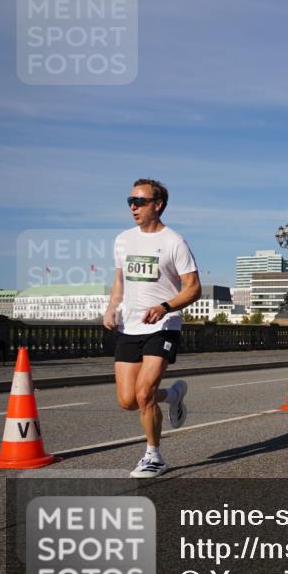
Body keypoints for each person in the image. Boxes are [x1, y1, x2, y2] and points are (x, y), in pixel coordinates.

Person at [104, 179, 200, 478]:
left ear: (157, 205)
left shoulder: (174, 242)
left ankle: (154, 456)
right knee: (128, 400)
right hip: (129, 326)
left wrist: (165, 307)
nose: (133, 206)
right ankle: (172, 396)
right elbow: (120, 280)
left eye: (140, 201)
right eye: (130, 200)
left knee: (145, 392)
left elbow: (193, 288)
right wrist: (111, 306)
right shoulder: (123, 239)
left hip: (163, 326)